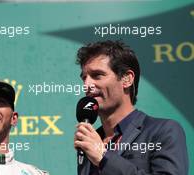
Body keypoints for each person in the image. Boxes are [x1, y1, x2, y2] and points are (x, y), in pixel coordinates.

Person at [74, 40, 188, 175]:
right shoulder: (91, 140)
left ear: (127, 79)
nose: (87, 84)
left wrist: (104, 157)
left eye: (97, 75)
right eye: (84, 78)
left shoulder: (163, 131)